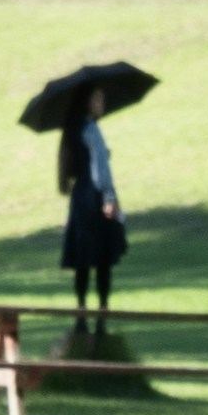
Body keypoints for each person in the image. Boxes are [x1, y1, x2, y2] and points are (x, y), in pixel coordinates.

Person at [56, 104, 127, 354]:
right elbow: (99, 168)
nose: (102, 102)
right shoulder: (91, 129)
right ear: (88, 100)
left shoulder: (72, 130)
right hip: (96, 199)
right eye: (97, 97)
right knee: (103, 258)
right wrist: (108, 196)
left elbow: (80, 165)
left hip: (80, 198)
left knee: (83, 259)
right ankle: (101, 318)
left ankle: (81, 315)